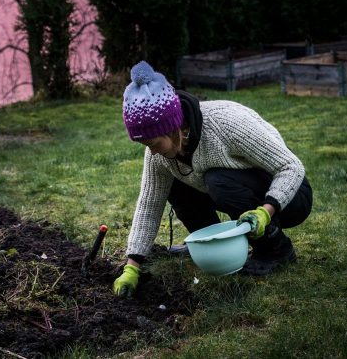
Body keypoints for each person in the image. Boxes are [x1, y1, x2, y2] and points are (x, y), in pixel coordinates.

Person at [113, 61, 313, 296]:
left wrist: (265, 212)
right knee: (177, 185)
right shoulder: (160, 155)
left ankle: (276, 250)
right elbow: (149, 206)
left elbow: (291, 167)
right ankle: (212, 247)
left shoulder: (225, 123)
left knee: (217, 180)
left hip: (289, 197)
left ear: (172, 128)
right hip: (241, 190)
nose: (152, 152)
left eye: (153, 143)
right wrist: (132, 267)